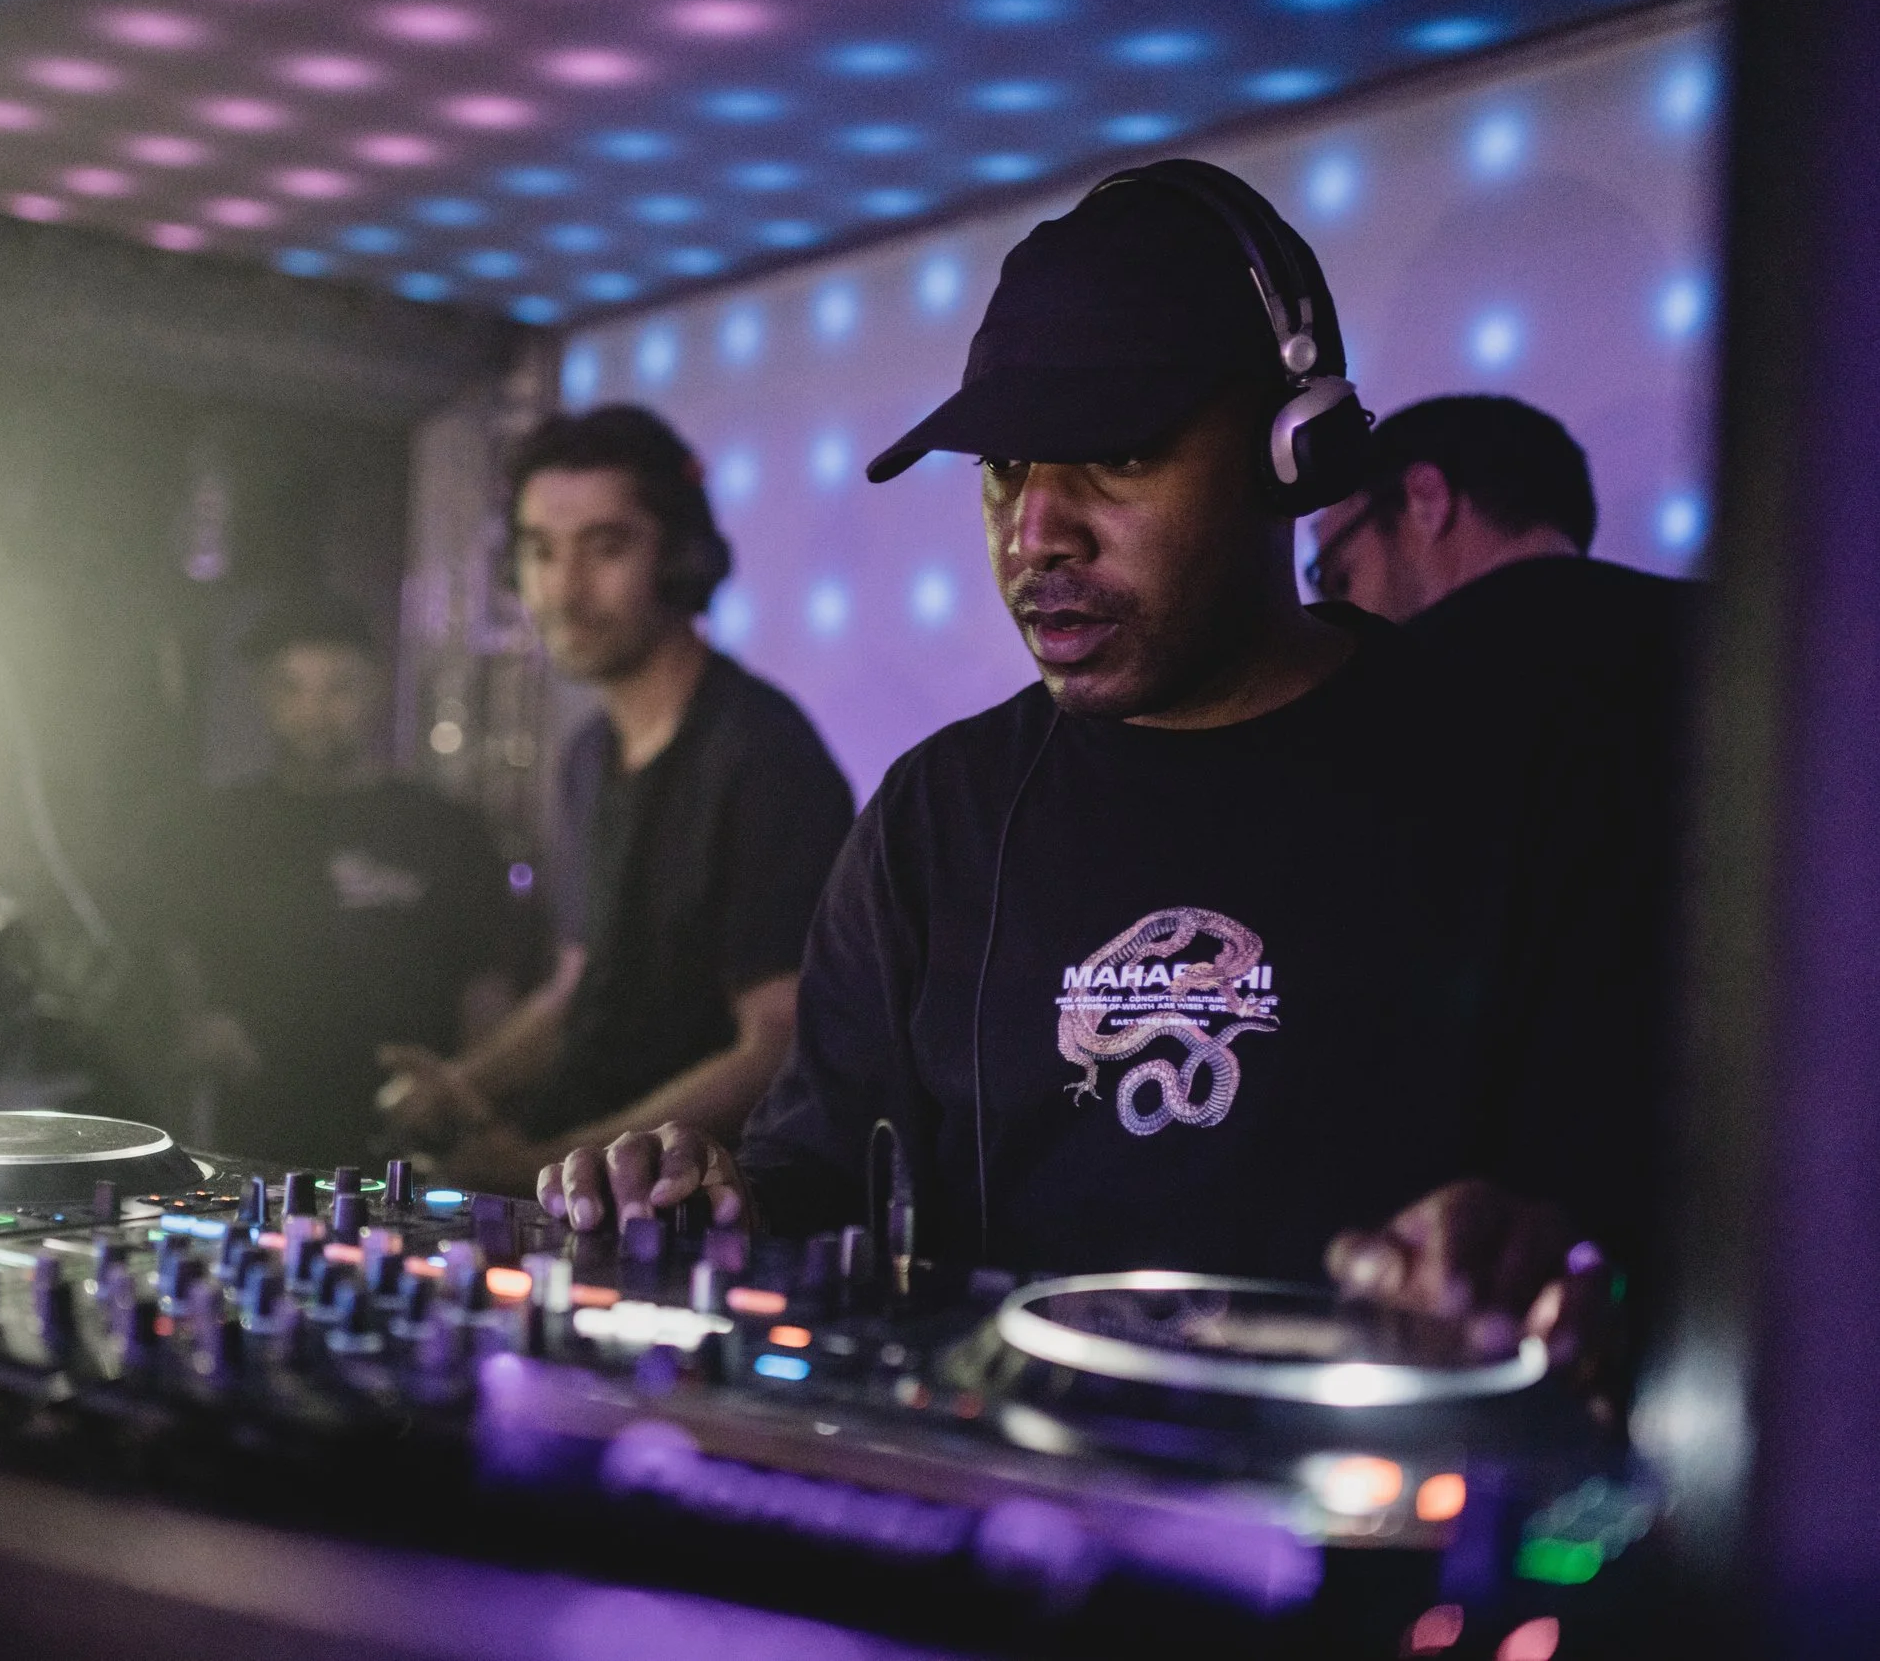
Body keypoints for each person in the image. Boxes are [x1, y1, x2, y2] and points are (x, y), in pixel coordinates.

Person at [535, 162, 1634, 1369]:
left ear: (1292, 454)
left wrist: (1542, 1253)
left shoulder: (1522, 784)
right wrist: (713, 1196)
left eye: (1113, 457)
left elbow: (1642, 1210)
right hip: (995, 1501)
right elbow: (824, 1172)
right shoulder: (932, 816)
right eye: (1005, 471)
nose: (1034, 533)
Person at [378, 406, 855, 1192]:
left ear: (680, 557)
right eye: (539, 551)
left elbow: (777, 1041)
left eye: (605, 547)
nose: (563, 590)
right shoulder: (589, 756)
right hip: (589, 1182)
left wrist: (550, 1164)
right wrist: (461, 1088)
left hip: (696, 1207)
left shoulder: (763, 755)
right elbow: (579, 985)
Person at [1314, 395, 1696, 1336]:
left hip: (1471, 1294)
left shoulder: (1373, 701)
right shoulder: (1738, 644)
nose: (1329, 607)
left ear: (1427, 498)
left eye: (1335, 568)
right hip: (1737, 1265)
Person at [168, 601, 519, 1170]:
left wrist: (472, 1102)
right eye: (291, 688)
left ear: (377, 688)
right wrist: (203, 1025)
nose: (314, 711)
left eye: (338, 688)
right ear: (263, 694)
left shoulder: (445, 827)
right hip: (256, 1138)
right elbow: (180, 949)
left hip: (408, 1143)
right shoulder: (223, 825)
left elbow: (487, 984)